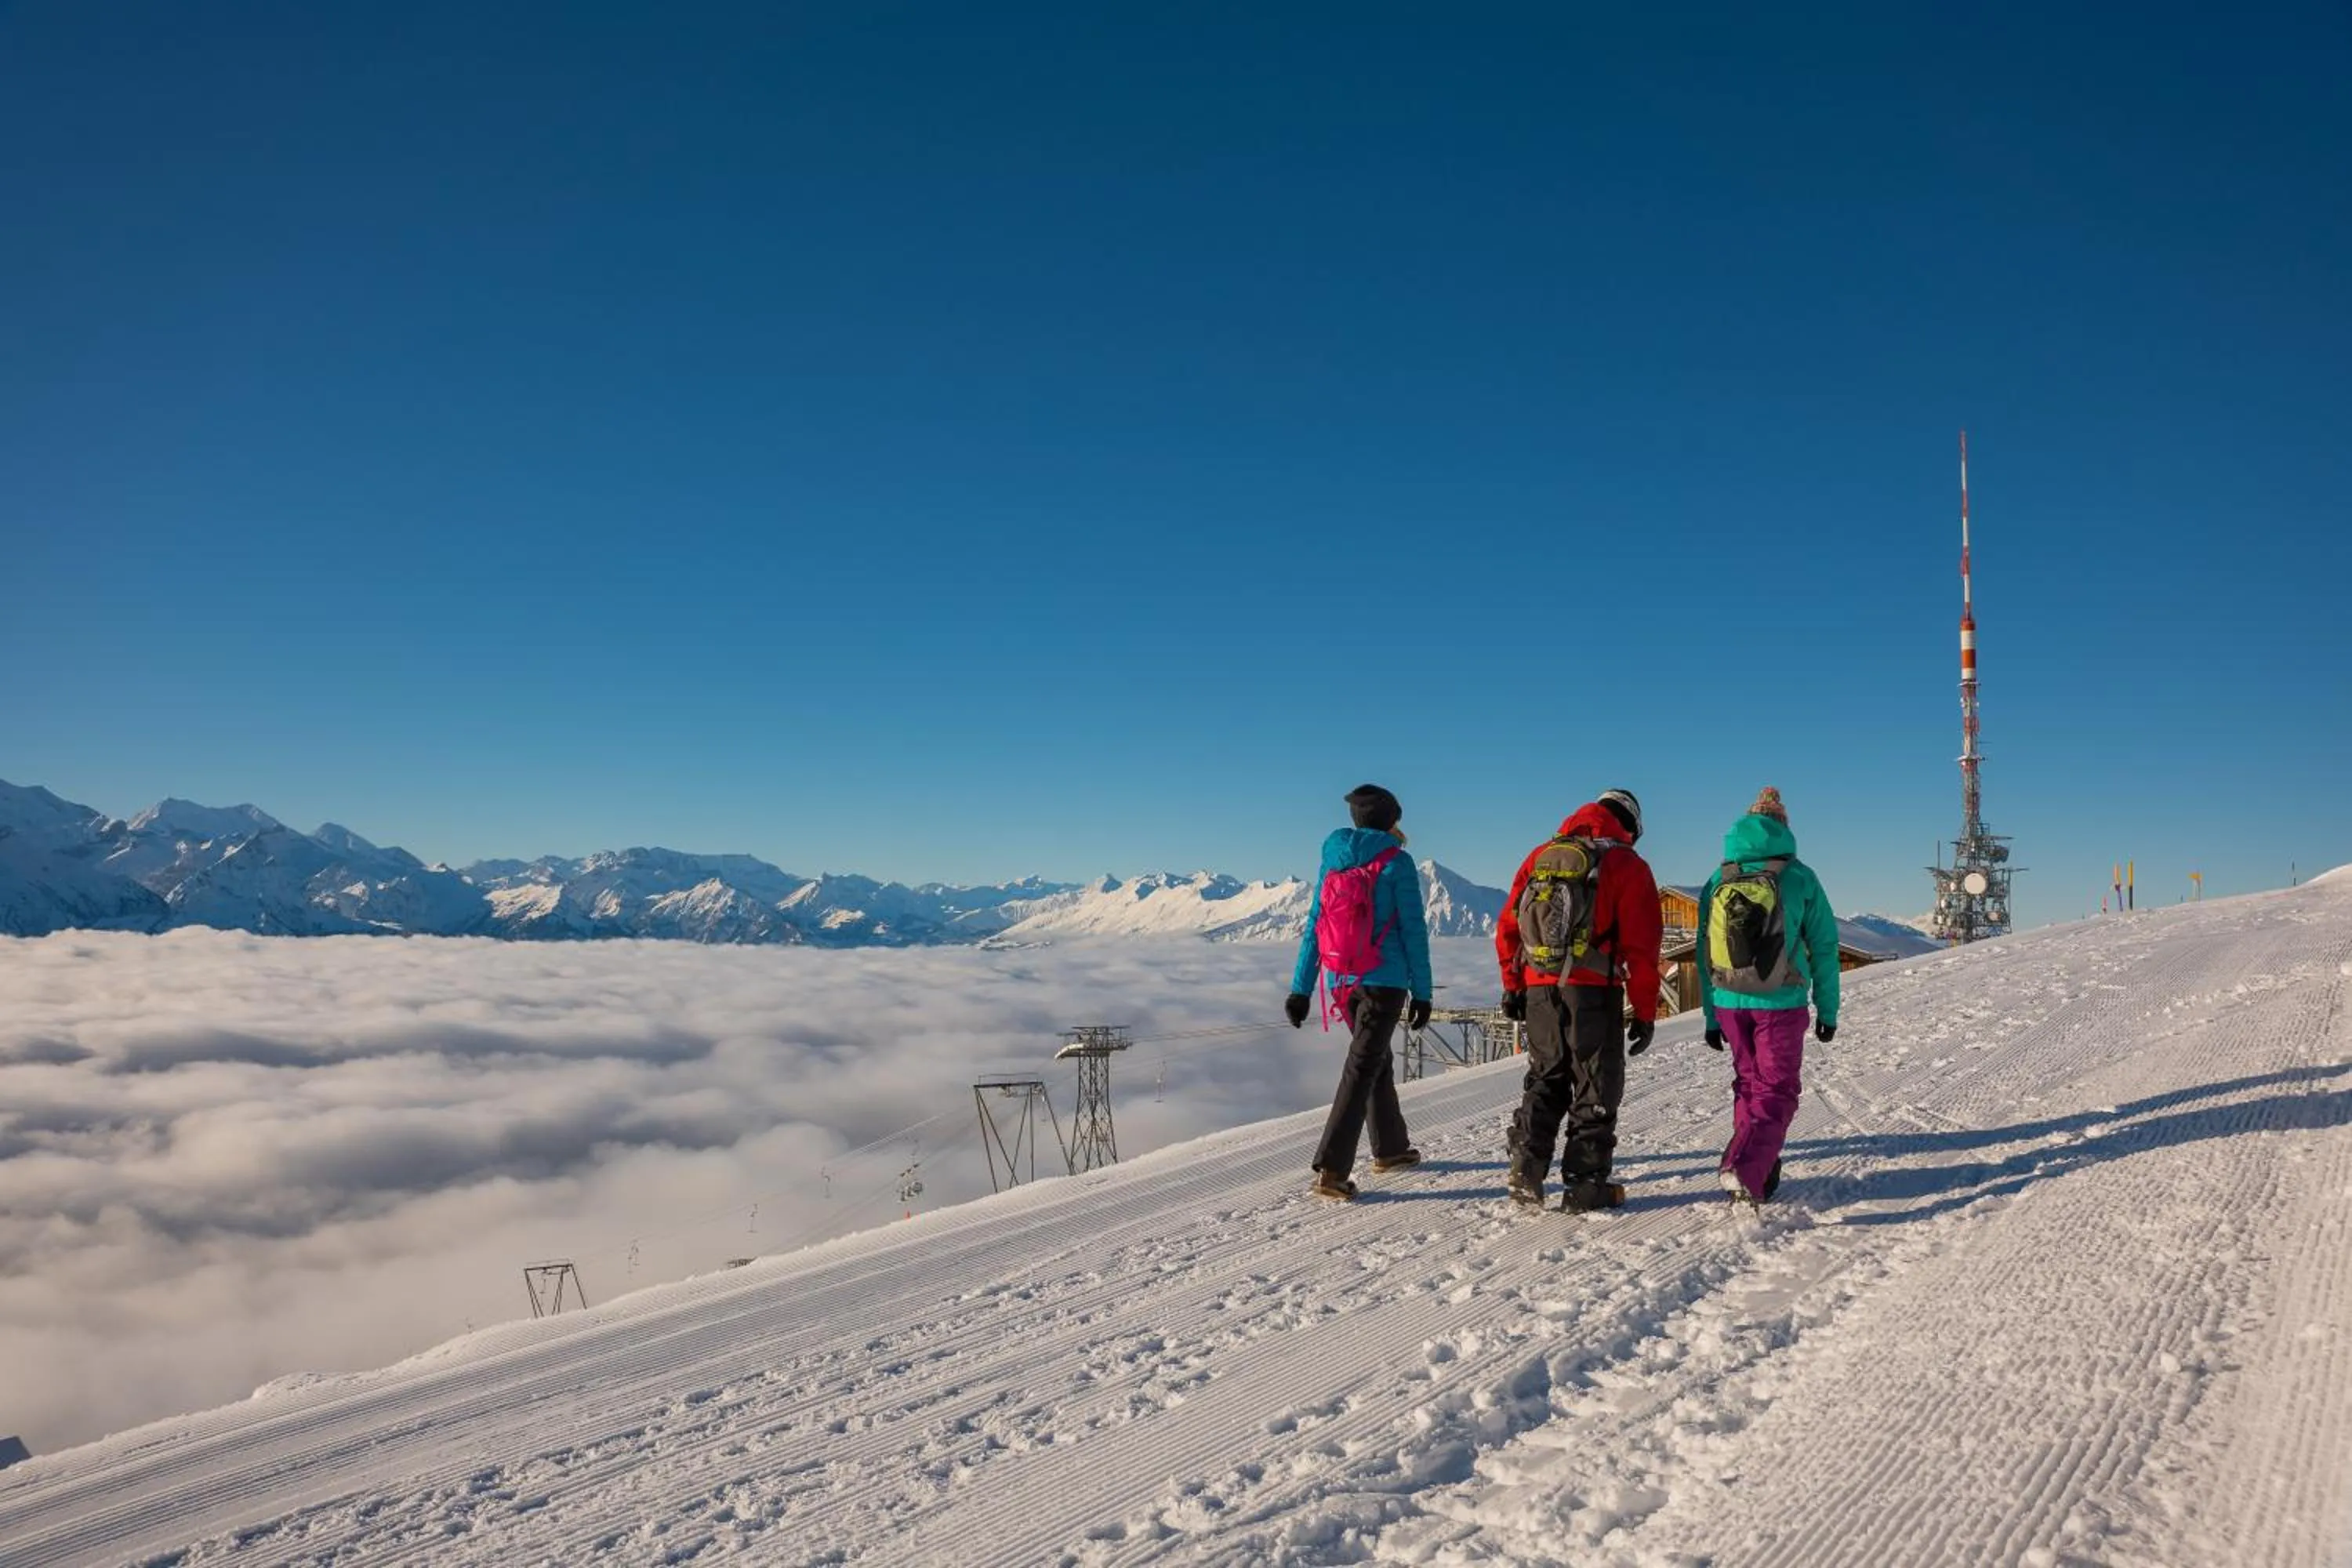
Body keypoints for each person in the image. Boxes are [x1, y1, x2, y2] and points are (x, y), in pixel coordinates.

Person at [1495, 789, 1662, 1211]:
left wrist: (1513, 983)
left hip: (1538, 989)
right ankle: (1585, 1183)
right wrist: (1644, 1012)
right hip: (1593, 991)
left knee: (1546, 1077)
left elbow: (1509, 925)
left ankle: (1527, 1169)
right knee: (1595, 1084)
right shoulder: (1627, 864)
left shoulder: (1541, 855)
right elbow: (1643, 947)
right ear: (1631, 825)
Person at [1286, 783, 1433, 1200]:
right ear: (1390, 820)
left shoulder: (1333, 862)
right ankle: (1332, 1169)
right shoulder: (1397, 863)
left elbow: (1316, 924)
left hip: (1341, 983)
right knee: (1363, 1066)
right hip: (1385, 984)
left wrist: (1300, 989)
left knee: (1374, 1060)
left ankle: (1391, 1149)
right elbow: (1413, 932)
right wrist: (1422, 992)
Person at [1697, 786, 1840, 1202]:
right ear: (1784, 828)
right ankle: (1744, 1167)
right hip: (1780, 1001)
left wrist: (1710, 1015)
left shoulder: (1718, 877)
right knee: (1777, 1089)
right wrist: (1828, 1010)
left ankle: (1759, 1167)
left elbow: (1704, 949)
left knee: (1749, 1084)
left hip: (1728, 1001)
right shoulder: (1799, 876)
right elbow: (1826, 947)